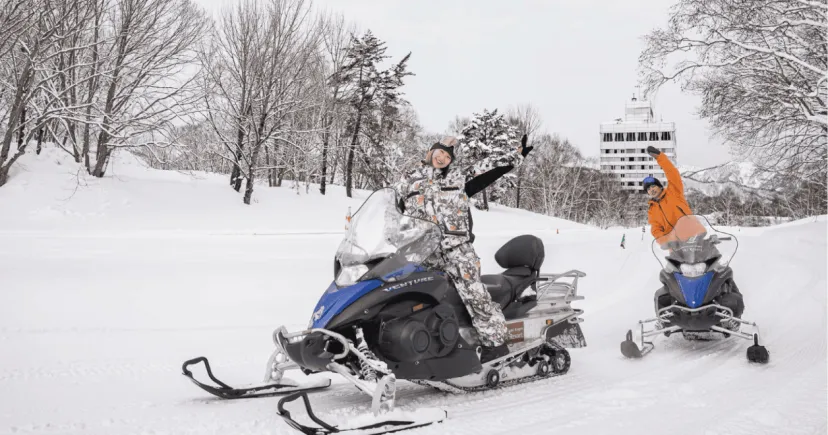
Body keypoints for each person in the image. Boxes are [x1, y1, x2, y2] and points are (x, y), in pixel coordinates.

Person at [393, 135, 532, 363]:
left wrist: (516, 155)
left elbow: (488, 169)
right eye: (439, 153)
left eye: (447, 156)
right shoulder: (409, 181)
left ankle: (495, 345)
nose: (442, 158)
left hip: (457, 250)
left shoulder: (458, 179)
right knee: (418, 299)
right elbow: (393, 212)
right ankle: (427, 342)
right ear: (430, 152)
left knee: (475, 296)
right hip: (424, 252)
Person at [644, 146, 744, 325]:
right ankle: (667, 316)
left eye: (653, 186)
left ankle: (733, 315)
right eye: (648, 189)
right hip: (676, 247)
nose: (651, 190)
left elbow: (672, 172)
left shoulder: (674, 192)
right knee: (672, 279)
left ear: (659, 187)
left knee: (721, 273)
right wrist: (666, 242)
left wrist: (659, 157)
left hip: (698, 240)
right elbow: (656, 230)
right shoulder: (652, 211)